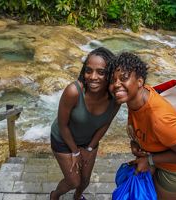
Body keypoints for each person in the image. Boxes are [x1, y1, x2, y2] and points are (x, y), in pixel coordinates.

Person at [109, 52, 176, 200]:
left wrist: (150, 160)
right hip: (159, 157)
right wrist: (135, 143)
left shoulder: (160, 118)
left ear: (139, 81)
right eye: (112, 80)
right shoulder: (135, 100)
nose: (116, 85)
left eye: (123, 78)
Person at [50, 47, 120, 200]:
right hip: (63, 138)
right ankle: (54, 195)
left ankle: (78, 196)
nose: (93, 77)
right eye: (88, 71)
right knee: (73, 180)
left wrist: (89, 148)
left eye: (101, 72)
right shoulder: (73, 92)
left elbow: (105, 123)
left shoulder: (115, 98)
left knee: (85, 180)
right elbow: (63, 125)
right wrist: (75, 152)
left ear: (110, 74)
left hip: (89, 141)